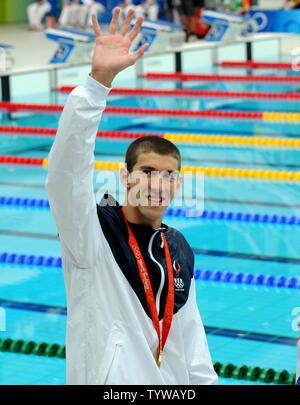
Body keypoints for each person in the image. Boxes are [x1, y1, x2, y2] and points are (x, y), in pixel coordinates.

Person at [46, 8, 218, 385]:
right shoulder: (91, 234)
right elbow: (65, 174)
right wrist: (98, 84)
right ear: (125, 176)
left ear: (178, 184)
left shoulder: (178, 247)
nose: (158, 184)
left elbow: (191, 342)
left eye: (168, 175)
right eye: (147, 172)